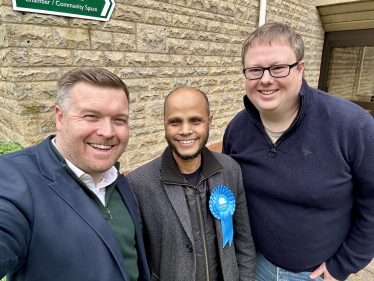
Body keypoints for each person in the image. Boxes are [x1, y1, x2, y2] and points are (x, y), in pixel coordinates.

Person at [222, 22, 374, 281]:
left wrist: (345, 264)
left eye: (278, 68)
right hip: (254, 267)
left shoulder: (353, 127)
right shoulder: (237, 130)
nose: (266, 79)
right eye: (255, 70)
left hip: (315, 275)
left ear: (300, 68)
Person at [0, 67, 150, 281]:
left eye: (119, 119)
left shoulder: (118, 180)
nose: (107, 132)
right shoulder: (15, 179)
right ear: (60, 118)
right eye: (91, 116)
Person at [127, 87, 256, 281]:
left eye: (196, 120)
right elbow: (139, 261)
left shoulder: (230, 170)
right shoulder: (139, 184)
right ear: (164, 124)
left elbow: (243, 241)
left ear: (209, 122)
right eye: (175, 122)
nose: (185, 130)